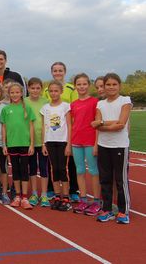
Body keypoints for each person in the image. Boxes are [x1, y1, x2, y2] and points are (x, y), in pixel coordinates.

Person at [92, 73, 132, 224]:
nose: (111, 87)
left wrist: (103, 124)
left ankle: (123, 211)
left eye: (114, 84)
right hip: (104, 146)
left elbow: (121, 124)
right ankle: (107, 209)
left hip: (120, 145)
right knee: (105, 179)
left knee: (120, 180)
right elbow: (95, 124)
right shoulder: (100, 104)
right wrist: (110, 125)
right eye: (108, 84)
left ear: (119, 86)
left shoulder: (125, 100)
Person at [42, 61, 79, 202]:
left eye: (60, 70)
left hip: (67, 132)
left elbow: (74, 108)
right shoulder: (47, 90)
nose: (58, 73)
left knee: (69, 165)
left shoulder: (71, 88)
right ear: (52, 72)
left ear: (65, 72)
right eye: (55, 70)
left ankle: (73, 190)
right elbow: (48, 109)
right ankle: (54, 190)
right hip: (53, 133)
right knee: (55, 165)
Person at [1, 82, 35, 210]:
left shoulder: (27, 108)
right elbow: (3, 128)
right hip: (12, 144)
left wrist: (32, 143)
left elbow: (31, 127)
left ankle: (25, 197)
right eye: (12, 92)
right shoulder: (6, 109)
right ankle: (17, 196)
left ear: (21, 93)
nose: (15, 95)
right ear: (9, 94)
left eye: (17, 92)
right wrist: (4, 144)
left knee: (24, 170)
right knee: (15, 170)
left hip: (25, 144)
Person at [71, 73, 101, 216]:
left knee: (94, 171)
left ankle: (96, 201)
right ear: (75, 86)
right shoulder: (73, 104)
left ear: (88, 85)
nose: (81, 86)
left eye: (84, 84)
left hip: (90, 141)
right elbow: (73, 123)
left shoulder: (95, 102)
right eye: (79, 84)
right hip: (76, 141)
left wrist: (96, 144)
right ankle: (83, 199)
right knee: (80, 171)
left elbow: (97, 125)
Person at [41, 80, 72, 212]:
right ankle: (57, 196)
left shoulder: (66, 106)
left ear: (61, 91)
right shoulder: (45, 108)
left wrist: (69, 144)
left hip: (62, 141)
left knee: (62, 169)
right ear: (48, 93)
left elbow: (70, 125)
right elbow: (43, 126)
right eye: (51, 91)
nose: (54, 93)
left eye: (56, 91)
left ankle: (66, 197)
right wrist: (43, 143)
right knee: (54, 169)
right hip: (50, 141)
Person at [24, 78, 50, 207]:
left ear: (41, 89)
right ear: (28, 89)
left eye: (37, 88)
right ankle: (34, 193)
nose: (35, 90)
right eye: (32, 88)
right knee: (32, 167)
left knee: (44, 168)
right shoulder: (24, 102)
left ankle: (44, 194)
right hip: (29, 141)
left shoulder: (46, 102)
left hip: (43, 140)